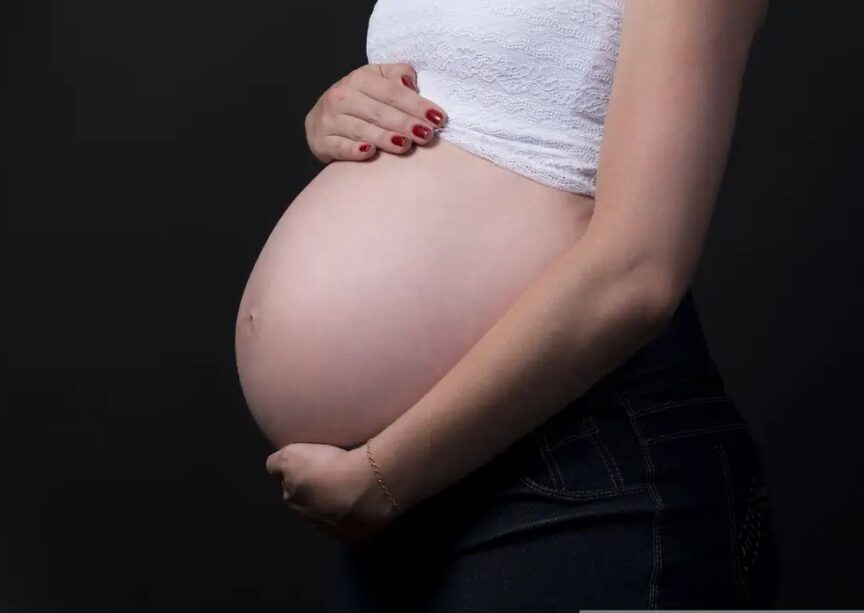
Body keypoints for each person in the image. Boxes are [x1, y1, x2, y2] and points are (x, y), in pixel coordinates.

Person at [265, 0, 779, 609]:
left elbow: (639, 273)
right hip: (409, 483)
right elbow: (494, 98)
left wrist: (383, 477)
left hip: (576, 466)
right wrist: (349, 109)